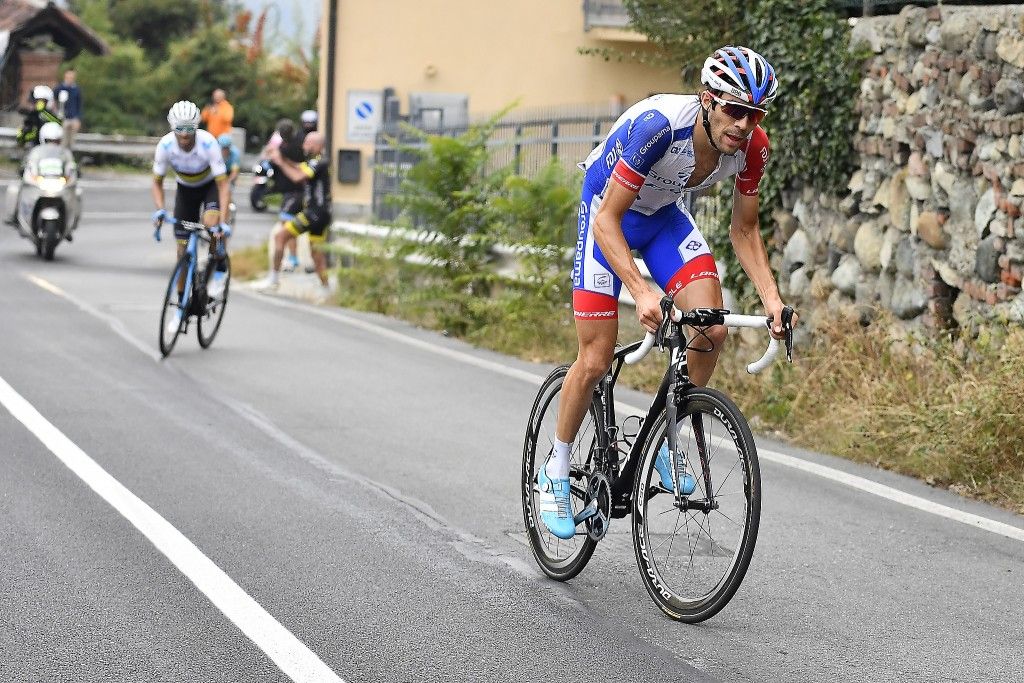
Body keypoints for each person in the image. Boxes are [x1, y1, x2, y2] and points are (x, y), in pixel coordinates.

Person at [538, 46, 798, 539]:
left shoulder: (752, 147)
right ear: (708, 100)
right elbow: (608, 220)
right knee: (594, 358)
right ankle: (557, 466)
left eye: (755, 114)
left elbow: (744, 231)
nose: (744, 124)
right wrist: (640, 290)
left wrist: (772, 300)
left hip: (662, 219)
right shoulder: (660, 127)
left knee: (711, 328)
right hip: (607, 215)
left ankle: (661, 442)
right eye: (735, 110)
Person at [151, 101, 232, 334]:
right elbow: (157, 182)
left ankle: (219, 266)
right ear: (172, 128)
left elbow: (223, 185)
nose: (185, 135)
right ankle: (180, 307)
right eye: (180, 130)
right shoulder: (165, 145)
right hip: (185, 191)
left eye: (189, 130)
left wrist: (223, 222)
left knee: (210, 224)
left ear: (196, 127)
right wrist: (159, 209)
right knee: (181, 250)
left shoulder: (208, 143)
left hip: (210, 188)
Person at [258, 131, 332, 300]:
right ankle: (326, 289)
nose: (304, 146)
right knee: (316, 254)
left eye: (308, 143)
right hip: (321, 214)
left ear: (318, 146)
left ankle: (273, 281)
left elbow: (297, 176)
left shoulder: (319, 162)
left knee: (280, 237)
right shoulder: (314, 161)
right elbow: (298, 167)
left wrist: (280, 162)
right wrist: (281, 159)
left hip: (314, 213)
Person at [262, 118, 303, 271]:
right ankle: (292, 257)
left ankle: (293, 258)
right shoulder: (294, 142)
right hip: (290, 191)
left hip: (294, 191)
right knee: (288, 225)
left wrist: (276, 158)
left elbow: (281, 162)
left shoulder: (289, 148)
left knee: (287, 225)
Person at [53, 69, 83, 149]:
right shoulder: (59, 88)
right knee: (63, 139)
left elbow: (79, 105)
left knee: (72, 140)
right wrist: (56, 112)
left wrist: (78, 118)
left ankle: (70, 156)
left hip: (73, 117)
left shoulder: (76, 89)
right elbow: (54, 101)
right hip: (62, 117)